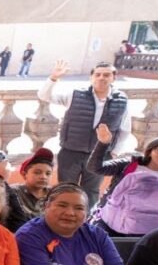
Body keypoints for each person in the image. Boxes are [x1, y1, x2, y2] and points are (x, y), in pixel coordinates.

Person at [38, 59, 133, 207]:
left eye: (106, 75)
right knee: (65, 189)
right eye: (98, 74)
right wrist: (54, 78)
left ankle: (87, 219)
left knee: (91, 192)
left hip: (99, 155)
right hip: (71, 152)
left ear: (113, 78)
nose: (101, 78)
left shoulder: (121, 100)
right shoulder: (75, 94)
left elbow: (124, 130)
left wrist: (114, 152)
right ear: (91, 77)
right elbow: (44, 96)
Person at [88, 127, 158, 237]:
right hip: (111, 223)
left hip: (146, 229)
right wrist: (103, 143)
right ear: (149, 152)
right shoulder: (128, 165)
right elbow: (94, 168)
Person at [8, 148, 54, 233]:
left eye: (48, 173)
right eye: (37, 172)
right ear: (24, 174)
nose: (43, 177)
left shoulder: (54, 194)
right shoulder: (13, 192)